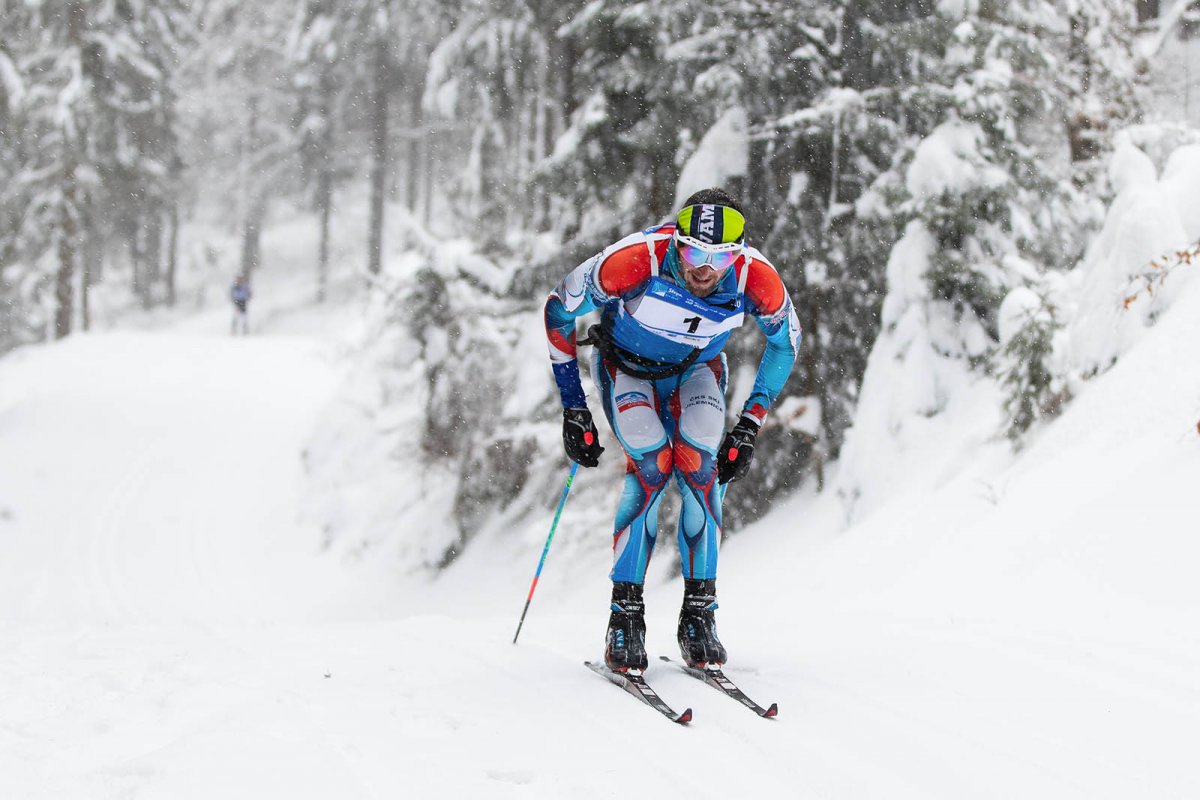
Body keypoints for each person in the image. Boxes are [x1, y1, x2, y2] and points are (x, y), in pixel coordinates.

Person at [543, 187, 801, 673]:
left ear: (739, 252)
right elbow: (558, 309)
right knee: (652, 463)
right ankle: (625, 616)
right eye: (692, 251)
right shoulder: (635, 259)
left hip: (696, 371)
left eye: (719, 256)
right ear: (675, 240)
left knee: (702, 468)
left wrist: (749, 425)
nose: (704, 268)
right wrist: (574, 408)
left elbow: (786, 343)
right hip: (628, 370)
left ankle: (699, 616)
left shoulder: (755, 278)